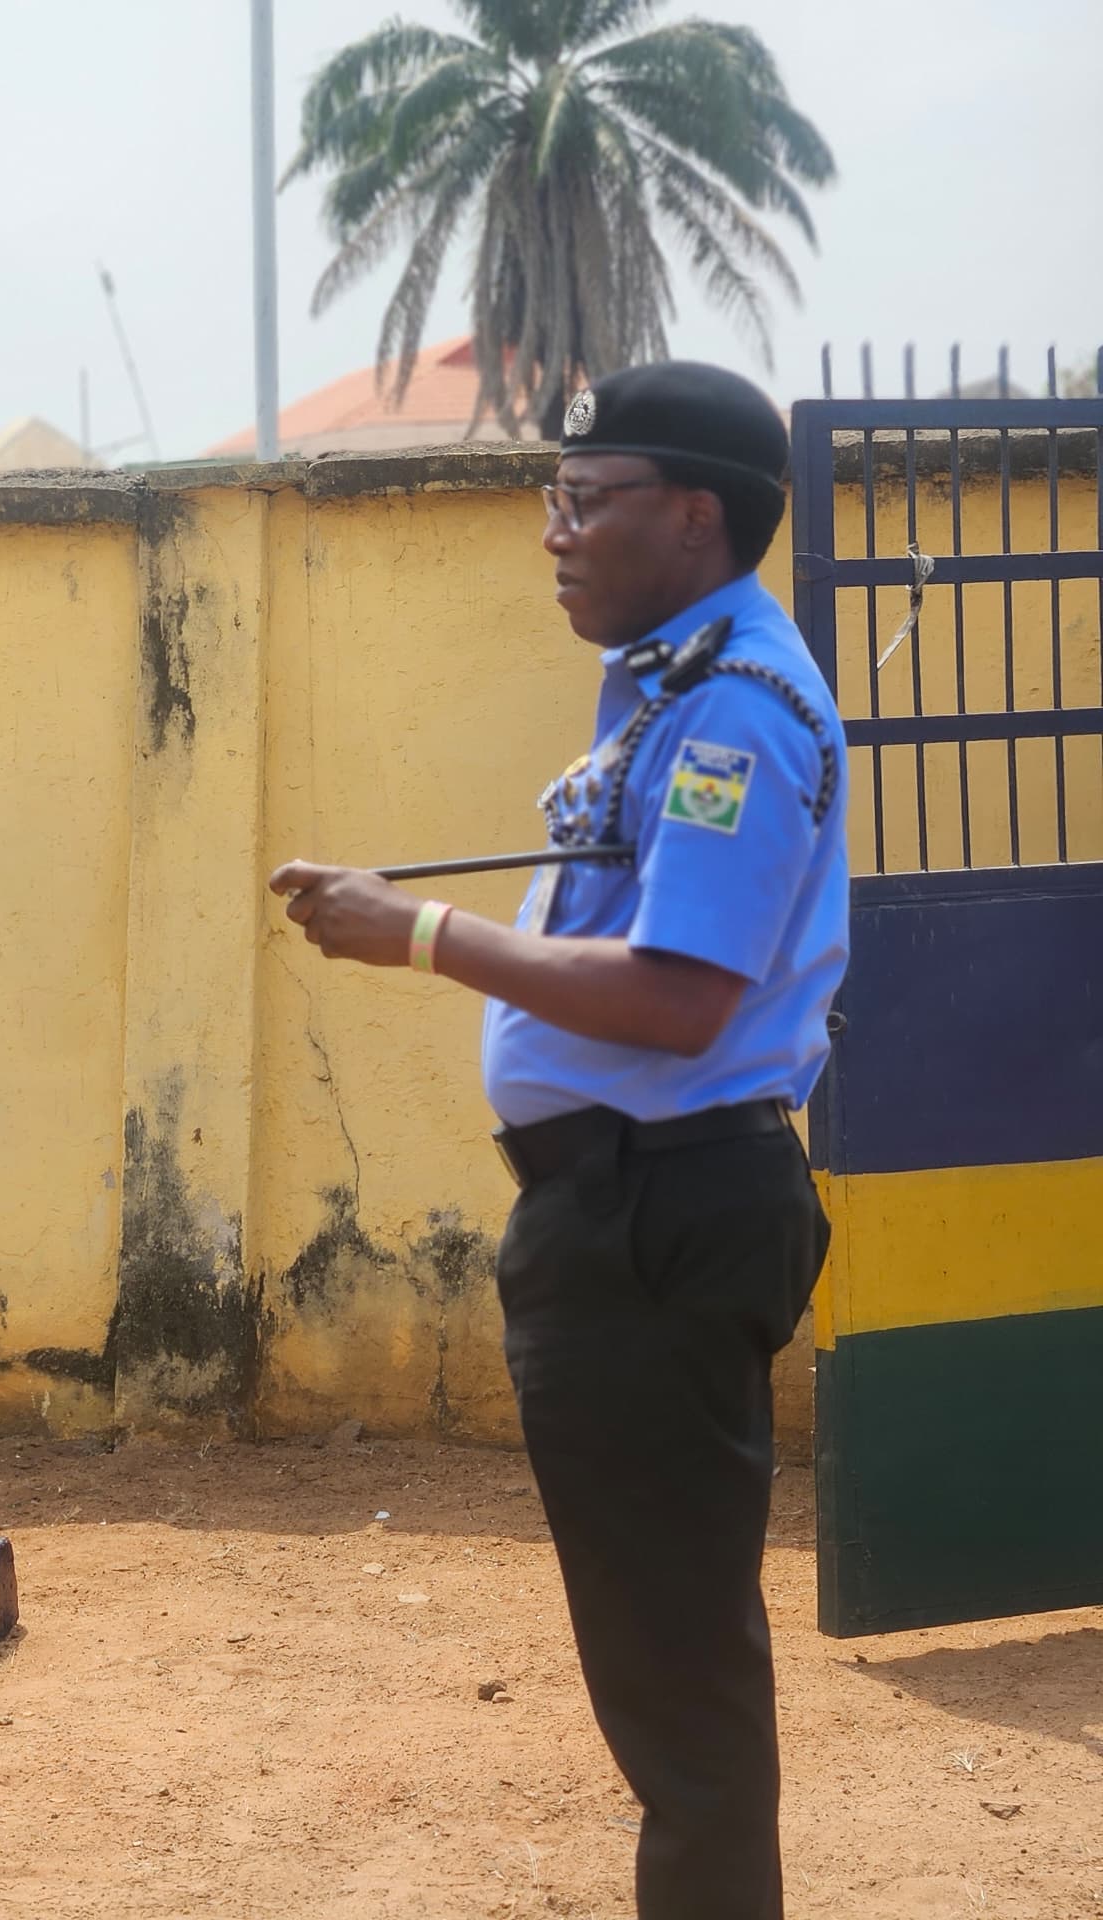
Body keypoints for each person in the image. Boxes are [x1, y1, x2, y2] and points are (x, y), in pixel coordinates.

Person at [269, 361, 847, 1920]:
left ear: (696, 516)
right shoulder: (675, 679)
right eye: (553, 496)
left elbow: (679, 998)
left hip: (659, 1212)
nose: (555, 531)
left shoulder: (731, 711)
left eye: (586, 501)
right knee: (666, 1662)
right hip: (635, 1207)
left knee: (678, 1681)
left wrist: (419, 935)